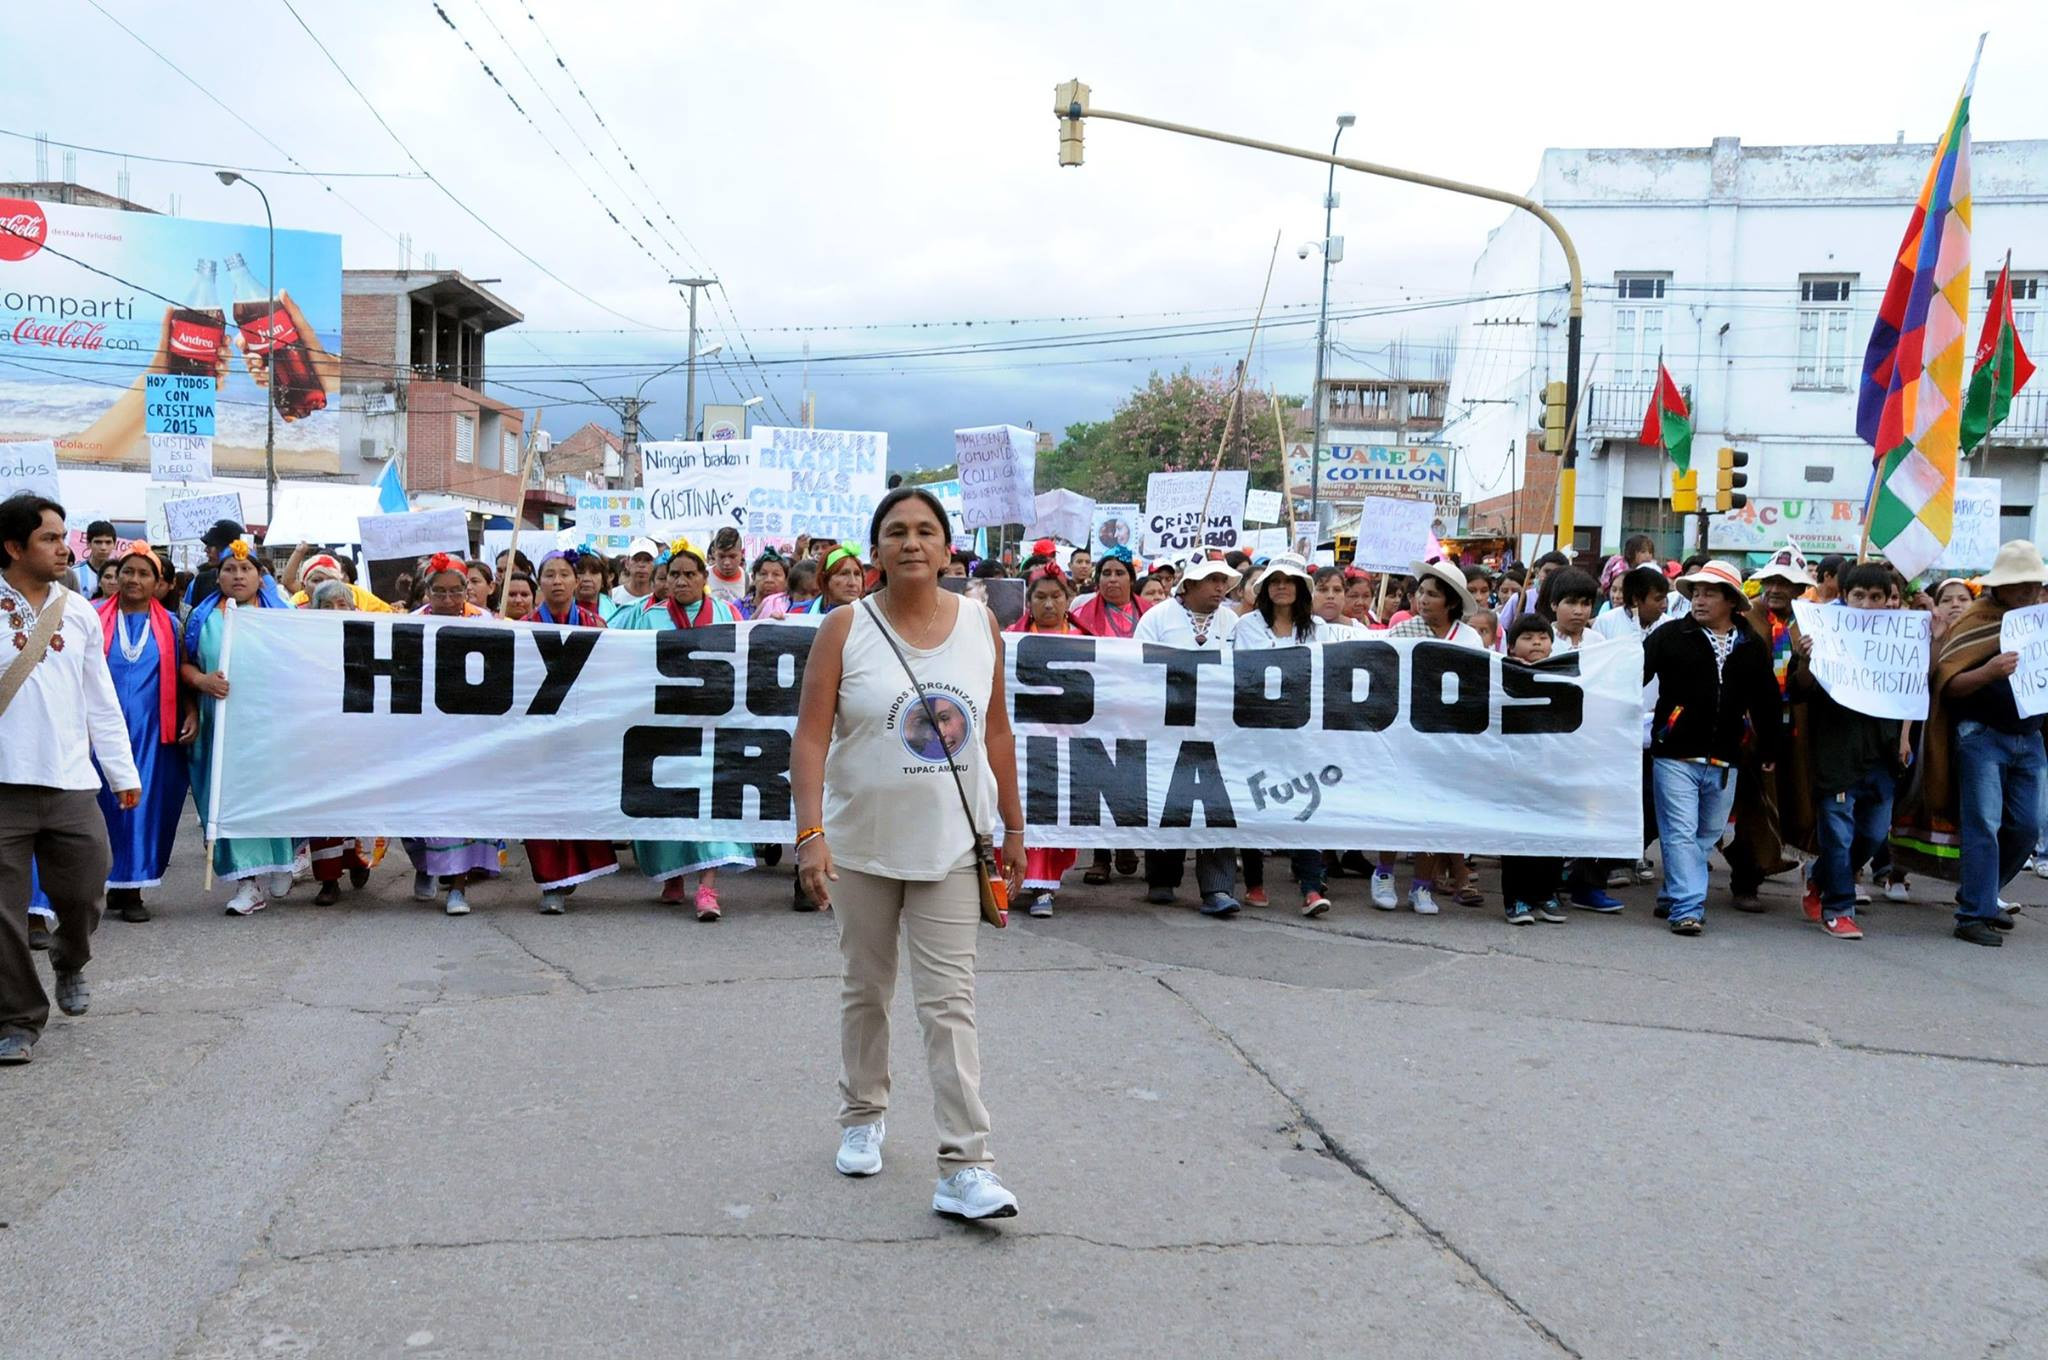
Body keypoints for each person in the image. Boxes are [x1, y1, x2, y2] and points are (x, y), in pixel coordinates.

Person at [791, 485, 1025, 1220]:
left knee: (949, 1004)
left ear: (948, 548)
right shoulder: (843, 627)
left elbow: (994, 734)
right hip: (860, 845)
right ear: (876, 550)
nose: (912, 542)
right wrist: (809, 834)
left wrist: (1015, 828)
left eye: (926, 530)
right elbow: (810, 735)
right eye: (897, 532)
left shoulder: (982, 625)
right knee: (866, 988)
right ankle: (863, 1116)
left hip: (954, 847)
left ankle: (966, 1164)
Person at [0, 495, 141, 1065]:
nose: (65, 548)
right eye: (50, 539)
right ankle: (17, 1020)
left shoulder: (79, 612)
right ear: (13, 548)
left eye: (65, 537)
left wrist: (121, 771)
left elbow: (100, 701)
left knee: (84, 893)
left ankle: (70, 960)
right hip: (3, 786)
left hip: (71, 784)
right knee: (3, 915)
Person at [1913, 542, 2048, 946]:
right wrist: (1989, 671)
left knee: (2027, 828)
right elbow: (1948, 685)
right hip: (1982, 737)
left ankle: (1981, 893)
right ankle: (1972, 914)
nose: (2027, 592)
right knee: (1983, 826)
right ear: (2000, 587)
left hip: (2030, 737)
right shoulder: (1977, 620)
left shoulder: (2040, 622)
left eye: (2033, 584)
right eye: (2018, 585)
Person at [1643, 559, 1783, 936]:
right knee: (1679, 832)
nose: (1699, 600)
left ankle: (1674, 891)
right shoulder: (1669, 636)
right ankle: (1688, 908)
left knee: (1708, 832)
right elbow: (1630, 674)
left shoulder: (1752, 647)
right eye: (1696, 592)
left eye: (1710, 593)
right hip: (1673, 753)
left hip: (1725, 759)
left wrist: (1769, 749)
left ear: (1732, 602)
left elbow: (1767, 702)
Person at [619, 538, 753, 918]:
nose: (681, 581)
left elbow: (749, 656)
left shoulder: (727, 613)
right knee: (668, 804)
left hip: (715, 726)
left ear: (703, 576)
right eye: (674, 574)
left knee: (710, 807)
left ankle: (708, 889)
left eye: (689, 574)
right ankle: (673, 877)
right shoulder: (651, 616)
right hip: (665, 726)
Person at [179, 539, 300, 916]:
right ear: (219, 576)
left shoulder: (278, 617)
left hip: (267, 726)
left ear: (260, 577)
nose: (237, 576)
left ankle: (282, 859)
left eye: (245, 569)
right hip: (221, 724)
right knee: (225, 796)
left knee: (273, 794)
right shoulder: (201, 618)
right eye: (229, 569)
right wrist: (201, 683)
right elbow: (184, 664)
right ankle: (246, 883)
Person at [1791, 562, 1911, 941]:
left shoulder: (1901, 637)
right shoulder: (1823, 632)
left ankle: (1822, 876)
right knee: (1838, 833)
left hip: (1882, 754)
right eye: (1859, 596)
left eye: (1877, 597)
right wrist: (1807, 658)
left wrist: (1904, 738)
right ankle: (1838, 908)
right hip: (1838, 754)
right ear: (1845, 596)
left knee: (1874, 834)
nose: (1867, 604)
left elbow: (1912, 691)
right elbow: (1801, 690)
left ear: (1889, 600)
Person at [1376, 560, 1487, 911]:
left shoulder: (1468, 638)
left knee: (1432, 810)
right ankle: (1383, 874)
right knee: (1398, 807)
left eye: (1433, 594)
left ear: (1451, 601)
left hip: (1448, 737)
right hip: (1406, 734)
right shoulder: (1402, 632)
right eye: (1421, 592)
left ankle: (1421, 886)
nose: (1423, 599)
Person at [1135, 554, 1242, 916]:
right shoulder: (1156, 619)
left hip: (1218, 729)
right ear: (1189, 585)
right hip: (1166, 727)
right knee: (1169, 802)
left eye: (1223, 580)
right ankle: (1162, 879)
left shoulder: (1231, 621)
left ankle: (1218, 887)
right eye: (1211, 580)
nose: (1219, 587)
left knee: (1218, 807)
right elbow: (1136, 667)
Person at [1231, 555, 1337, 917]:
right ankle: (1255, 883)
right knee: (1254, 801)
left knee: (1306, 806)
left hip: (1302, 733)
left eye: (1288, 581)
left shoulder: (1318, 628)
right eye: (1274, 580)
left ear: (1300, 589)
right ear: (1265, 589)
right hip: (1256, 730)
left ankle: (1310, 888)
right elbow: (1243, 674)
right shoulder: (1247, 626)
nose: (1281, 586)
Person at [94, 544, 193, 924]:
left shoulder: (171, 625)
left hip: (153, 734)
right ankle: (100, 883)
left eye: (143, 574)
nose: (133, 579)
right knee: (101, 809)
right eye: (127, 572)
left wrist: (190, 713)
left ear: (159, 584)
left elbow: (184, 672)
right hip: (100, 734)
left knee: (143, 808)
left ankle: (131, 889)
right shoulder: (92, 617)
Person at [402, 554, 503, 912]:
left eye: (455, 591)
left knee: (463, 812)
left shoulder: (488, 622)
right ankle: (425, 866)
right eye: (439, 592)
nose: (447, 600)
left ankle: (457, 887)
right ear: (426, 591)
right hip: (422, 736)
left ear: (467, 590)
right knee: (417, 811)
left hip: (470, 735)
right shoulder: (408, 624)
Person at [1722, 547, 1817, 914]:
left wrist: (1807, 657)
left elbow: (1806, 687)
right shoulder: (1744, 618)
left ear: (1798, 589)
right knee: (1744, 806)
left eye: (1786, 583)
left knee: (1781, 802)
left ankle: (1759, 870)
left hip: (1788, 731)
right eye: (1771, 581)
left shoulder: (1808, 625)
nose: (1776, 588)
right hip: (1745, 727)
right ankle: (1744, 880)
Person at [1072, 545, 1149, 889]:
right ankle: (1101, 857)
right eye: (1106, 573)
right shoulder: (1079, 611)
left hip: (1140, 710)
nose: (1112, 579)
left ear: (1131, 580)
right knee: (1099, 780)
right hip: (1096, 708)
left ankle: (1127, 843)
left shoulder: (1152, 614)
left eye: (1119, 573)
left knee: (1133, 780)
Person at [1008, 565, 1079, 917]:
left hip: (1066, 744)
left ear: (1068, 601)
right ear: (1029, 602)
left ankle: (1044, 889)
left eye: (1056, 597)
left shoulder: (1090, 643)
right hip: (1021, 745)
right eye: (1040, 597)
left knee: (1053, 812)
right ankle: (1011, 880)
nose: (1048, 604)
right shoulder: (1008, 640)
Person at [1500, 615, 1568, 925]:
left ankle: (1546, 893)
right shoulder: (1501, 675)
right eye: (1528, 637)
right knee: (1517, 837)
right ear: (1512, 646)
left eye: (1543, 636)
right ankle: (1516, 898)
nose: (1537, 642)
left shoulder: (1566, 675)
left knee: (1552, 833)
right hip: (1515, 772)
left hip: (1553, 770)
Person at [1593, 564, 1672, 643]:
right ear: (1635, 600)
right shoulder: (1605, 623)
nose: (1664, 605)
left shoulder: (1669, 626)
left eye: (1665, 598)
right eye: (1658, 599)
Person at [288, 552, 389, 612]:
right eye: (317, 580)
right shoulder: (294, 609)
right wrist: (299, 552)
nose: (324, 585)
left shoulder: (358, 609)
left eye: (331, 580)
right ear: (303, 585)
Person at [610, 537, 660, 617]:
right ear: (627, 563)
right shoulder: (613, 596)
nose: (641, 565)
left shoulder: (660, 596)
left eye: (647, 560)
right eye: (636, 559)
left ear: (655, 565)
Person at [71, 519, 119, 596]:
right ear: (88, 544)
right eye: (98, 542)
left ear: (114, 544)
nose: (103, 547)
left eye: (108, 542)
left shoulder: (121, 572)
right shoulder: (74, 573)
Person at [707, 526, 748, 607]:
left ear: (742, 553)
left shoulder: (748, 580)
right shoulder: (703, 577)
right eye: (721, 556)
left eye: (732, 556)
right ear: (713, 552)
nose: (726, 562)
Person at [744, 548, 790, 620]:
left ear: (786, 580)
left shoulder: (792, 607)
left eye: (776, 574)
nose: (769, 580)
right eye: (763, 574)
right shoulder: (737, 607)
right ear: (753, 578)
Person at [1930, 576, 1975, 643]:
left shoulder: (1987, 635)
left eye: (1963, 599)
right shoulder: (1924, 638)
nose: (1955, 604)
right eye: (1946, 600)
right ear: (1936, 607)